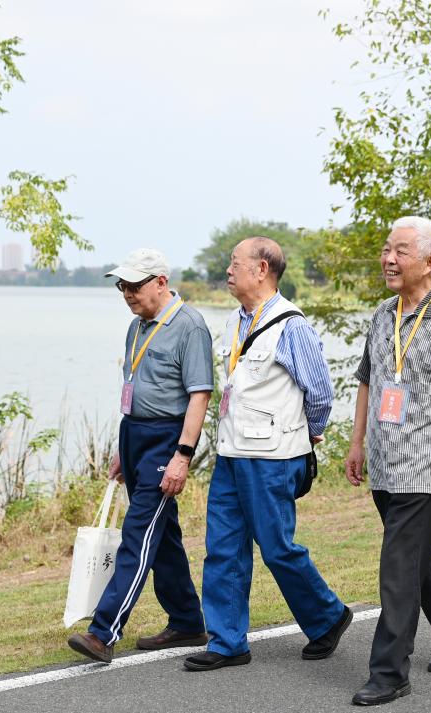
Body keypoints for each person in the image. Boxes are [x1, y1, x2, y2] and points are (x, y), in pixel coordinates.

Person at [182, 237, 352, 672]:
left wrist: (307, 436)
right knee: (222, 547)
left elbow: (320, 393)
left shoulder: (291, 325)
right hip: (232, 453)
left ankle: (328, 616)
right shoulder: (233, 322)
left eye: (234, 263)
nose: (228, 270)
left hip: (273, 457)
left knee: (276, 548)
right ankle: (227, 642)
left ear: (261, 269)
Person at [344, 216, 431, 706]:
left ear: (429, 262)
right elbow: (367, 381)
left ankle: (389, 673)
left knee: (399, 568)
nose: (388, 258)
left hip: (427, 468)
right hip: (386, 464)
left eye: (400, 251)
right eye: (387, 249)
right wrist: (357, 443)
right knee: (418, 558)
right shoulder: (382, 315)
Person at [67, 248, 212, 663]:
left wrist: (183, 454)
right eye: (122, 286)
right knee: (162, 536)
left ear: (161, 282)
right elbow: (134, 389)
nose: (127, 293)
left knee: (138, 532)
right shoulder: (136, 327)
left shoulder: (190, 326)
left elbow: (199, 395)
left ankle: (103, 632)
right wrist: (122, 447)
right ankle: (187, 621)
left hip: (166, 439)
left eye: (134, 285)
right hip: (133, 436)